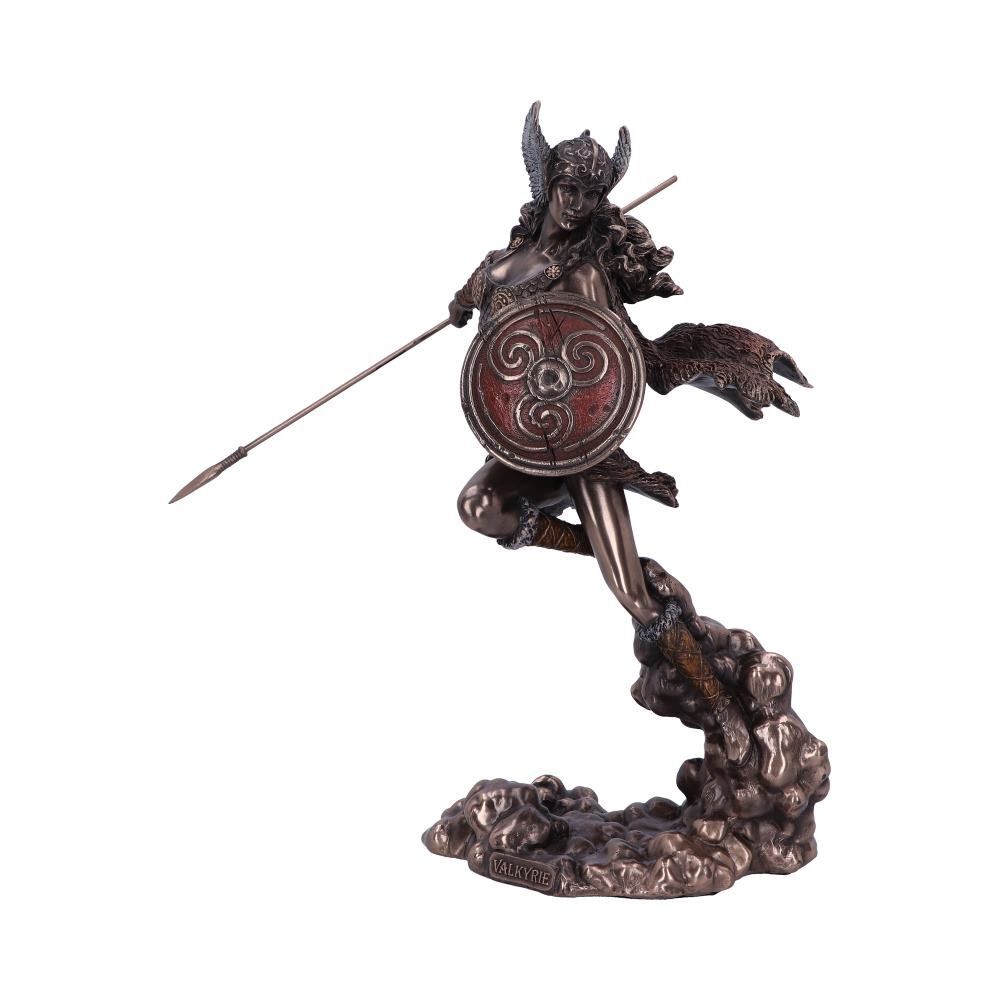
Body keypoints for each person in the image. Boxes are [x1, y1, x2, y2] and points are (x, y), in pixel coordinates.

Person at [446, 103, 809, 761]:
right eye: (569, 188)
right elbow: (467, 304)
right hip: (525, 445)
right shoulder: (496, 266)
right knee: (477, 507)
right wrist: (459, 306)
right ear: (546, 184)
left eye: (591, 193)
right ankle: (604, 551)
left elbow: (618, 360)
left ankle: (723, 712)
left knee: (633, 599)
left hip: (585, 449)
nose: (578, 204)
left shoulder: (585, 275)